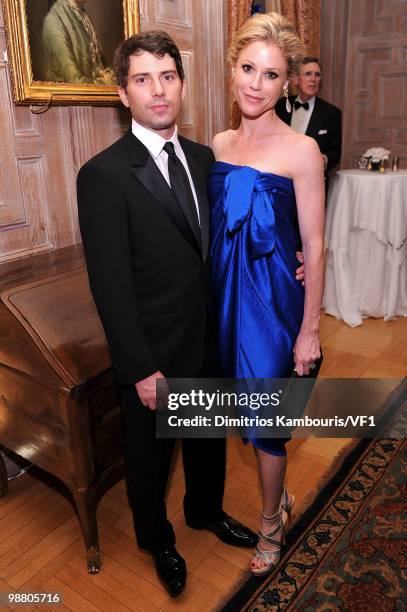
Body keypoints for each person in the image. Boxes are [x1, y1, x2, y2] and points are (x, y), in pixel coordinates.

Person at [77, 31, 257, 598]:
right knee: (151, 457)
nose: (158, 90)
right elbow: (110, 286)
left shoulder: (204, 158)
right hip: (152, 352)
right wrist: (140, 368)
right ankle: (156, 538)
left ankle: (205, 511)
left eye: (168, 76)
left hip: (207, 337)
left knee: (205, 440)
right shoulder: (103, 175)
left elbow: (224, 247)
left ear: (181, 83)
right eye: (142, 79)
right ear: (122, 94)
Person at [209, 13, 325, 575]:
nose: (256, 83)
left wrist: (309, 329)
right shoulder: (217, 143)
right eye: (248, 68)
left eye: (271, 74)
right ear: (232, 70)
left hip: (275, 304)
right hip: (224, 300)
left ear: (287, 84)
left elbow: (316, 244)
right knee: (239, 412)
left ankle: (271, 522)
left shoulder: (302, 151)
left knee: (267, 426)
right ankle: (276, 501)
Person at [275, 56, 342, 176]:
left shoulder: (332, 113)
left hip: (313, 179)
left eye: (317, 75)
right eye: (308, 74)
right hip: (279, 176)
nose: (313, 79)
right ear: (296, 79)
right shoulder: (280, 106)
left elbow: (335, 151)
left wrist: (324, 160)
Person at [42, 0, 115, 84]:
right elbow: (74, 80)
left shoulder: (81, 14)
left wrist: (107, 74)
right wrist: (106, 82)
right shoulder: (53, 21)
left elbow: (98, 64)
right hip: (68, 95)